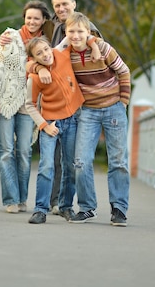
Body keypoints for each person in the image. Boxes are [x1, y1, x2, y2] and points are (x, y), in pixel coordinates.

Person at [0, 0, 51, 214]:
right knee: (6, 150)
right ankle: (10, 199)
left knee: (24, 151)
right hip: (5, 99)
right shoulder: (10, 37)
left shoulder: (44, 43)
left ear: (43, 20)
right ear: (24, 18)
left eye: (36, 18)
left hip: (29, 104)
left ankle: (22, 198)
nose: (31, 21)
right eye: (28, 17)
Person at [24, 35, 100, 224]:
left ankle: (66, 207)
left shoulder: (62, 53)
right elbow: (30, 105)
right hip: (51, 123)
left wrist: (93, 45)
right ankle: (40, 209)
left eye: (46, 49)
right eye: (39, 54)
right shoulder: (34, 78)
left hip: (73, 119)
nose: (45, 54)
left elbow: (77, 33)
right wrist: (44, 125)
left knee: (70, 165)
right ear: (34, 59)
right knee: (46, 165)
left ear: (51, 47)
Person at [65, 12, 131, 226]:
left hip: (114, 108)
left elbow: (124, 71)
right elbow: (47, 60)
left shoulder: (103, 48)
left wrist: (123, 102)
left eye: (80, 31)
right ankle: (87, 208)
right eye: (71, 31)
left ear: (88, 32)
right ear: (66, 34)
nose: (76, 36)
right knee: (81, 162)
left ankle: (119, 209)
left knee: (118, 161)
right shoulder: (67, 54)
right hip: (88, 112)